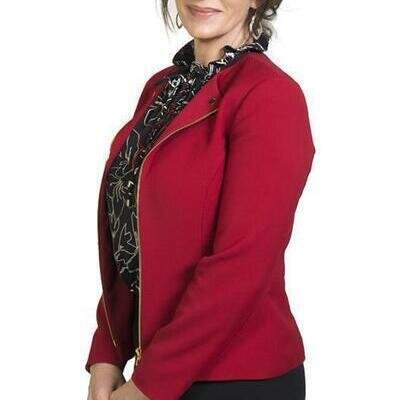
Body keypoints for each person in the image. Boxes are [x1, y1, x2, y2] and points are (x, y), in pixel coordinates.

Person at [86, 1, 315, 399]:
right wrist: (108, 350)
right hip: (154, 370)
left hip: (236, 382)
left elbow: (241, 265)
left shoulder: (271, 96)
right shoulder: (162, 89)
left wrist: (147, 387)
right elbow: (132, 233)